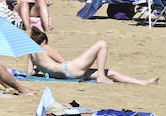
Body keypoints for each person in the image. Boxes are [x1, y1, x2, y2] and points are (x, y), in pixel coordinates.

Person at [28, 29, 158, 84]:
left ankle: (142, 83)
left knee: (111, 73)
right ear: (43, 40)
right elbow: (63, 61)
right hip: (70, 69)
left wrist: (42, 69)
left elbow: (30, 72)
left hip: (66, 75)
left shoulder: (31, 54)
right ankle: (101, 76)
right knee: (102, 44)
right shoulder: (44, 47)